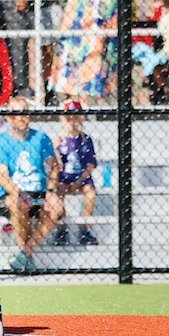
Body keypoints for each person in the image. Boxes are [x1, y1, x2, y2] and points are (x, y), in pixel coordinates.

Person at [0, 96, 61, 271]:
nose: (20, 117)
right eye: (15, 114)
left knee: (56, 207)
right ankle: (26, 254)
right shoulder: (2, 142)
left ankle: (24, 253)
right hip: (12, 194)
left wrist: (51, 192)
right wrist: (18, 192)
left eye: (24, 113)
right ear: (8, 118)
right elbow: (1, 176)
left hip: (38, 191)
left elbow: (54, 167)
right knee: (17, 203)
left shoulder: (41, 138)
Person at [53, 100, 98, 246]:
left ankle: (85, 228)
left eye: (76, 117)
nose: (72, 121)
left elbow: (91, 164)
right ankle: (62, 228)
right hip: (64, 177)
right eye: (69, 117)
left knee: (90, 192)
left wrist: (79, 181)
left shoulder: (86, 140)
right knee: (58, 192)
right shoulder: (59, 141)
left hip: (81, 177)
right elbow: (56, 165)